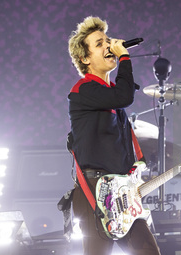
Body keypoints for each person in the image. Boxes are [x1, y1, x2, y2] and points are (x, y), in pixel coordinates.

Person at [67, 16, 160, 255]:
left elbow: (120, 99)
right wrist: (125, 57)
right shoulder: (83, 90)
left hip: (122, 193)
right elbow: (124, 96)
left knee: (148, 251)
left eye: (108, 41)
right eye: (100, 44)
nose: (108, 46)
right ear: (85, 59)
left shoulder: (111, 97)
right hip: (94, 190)